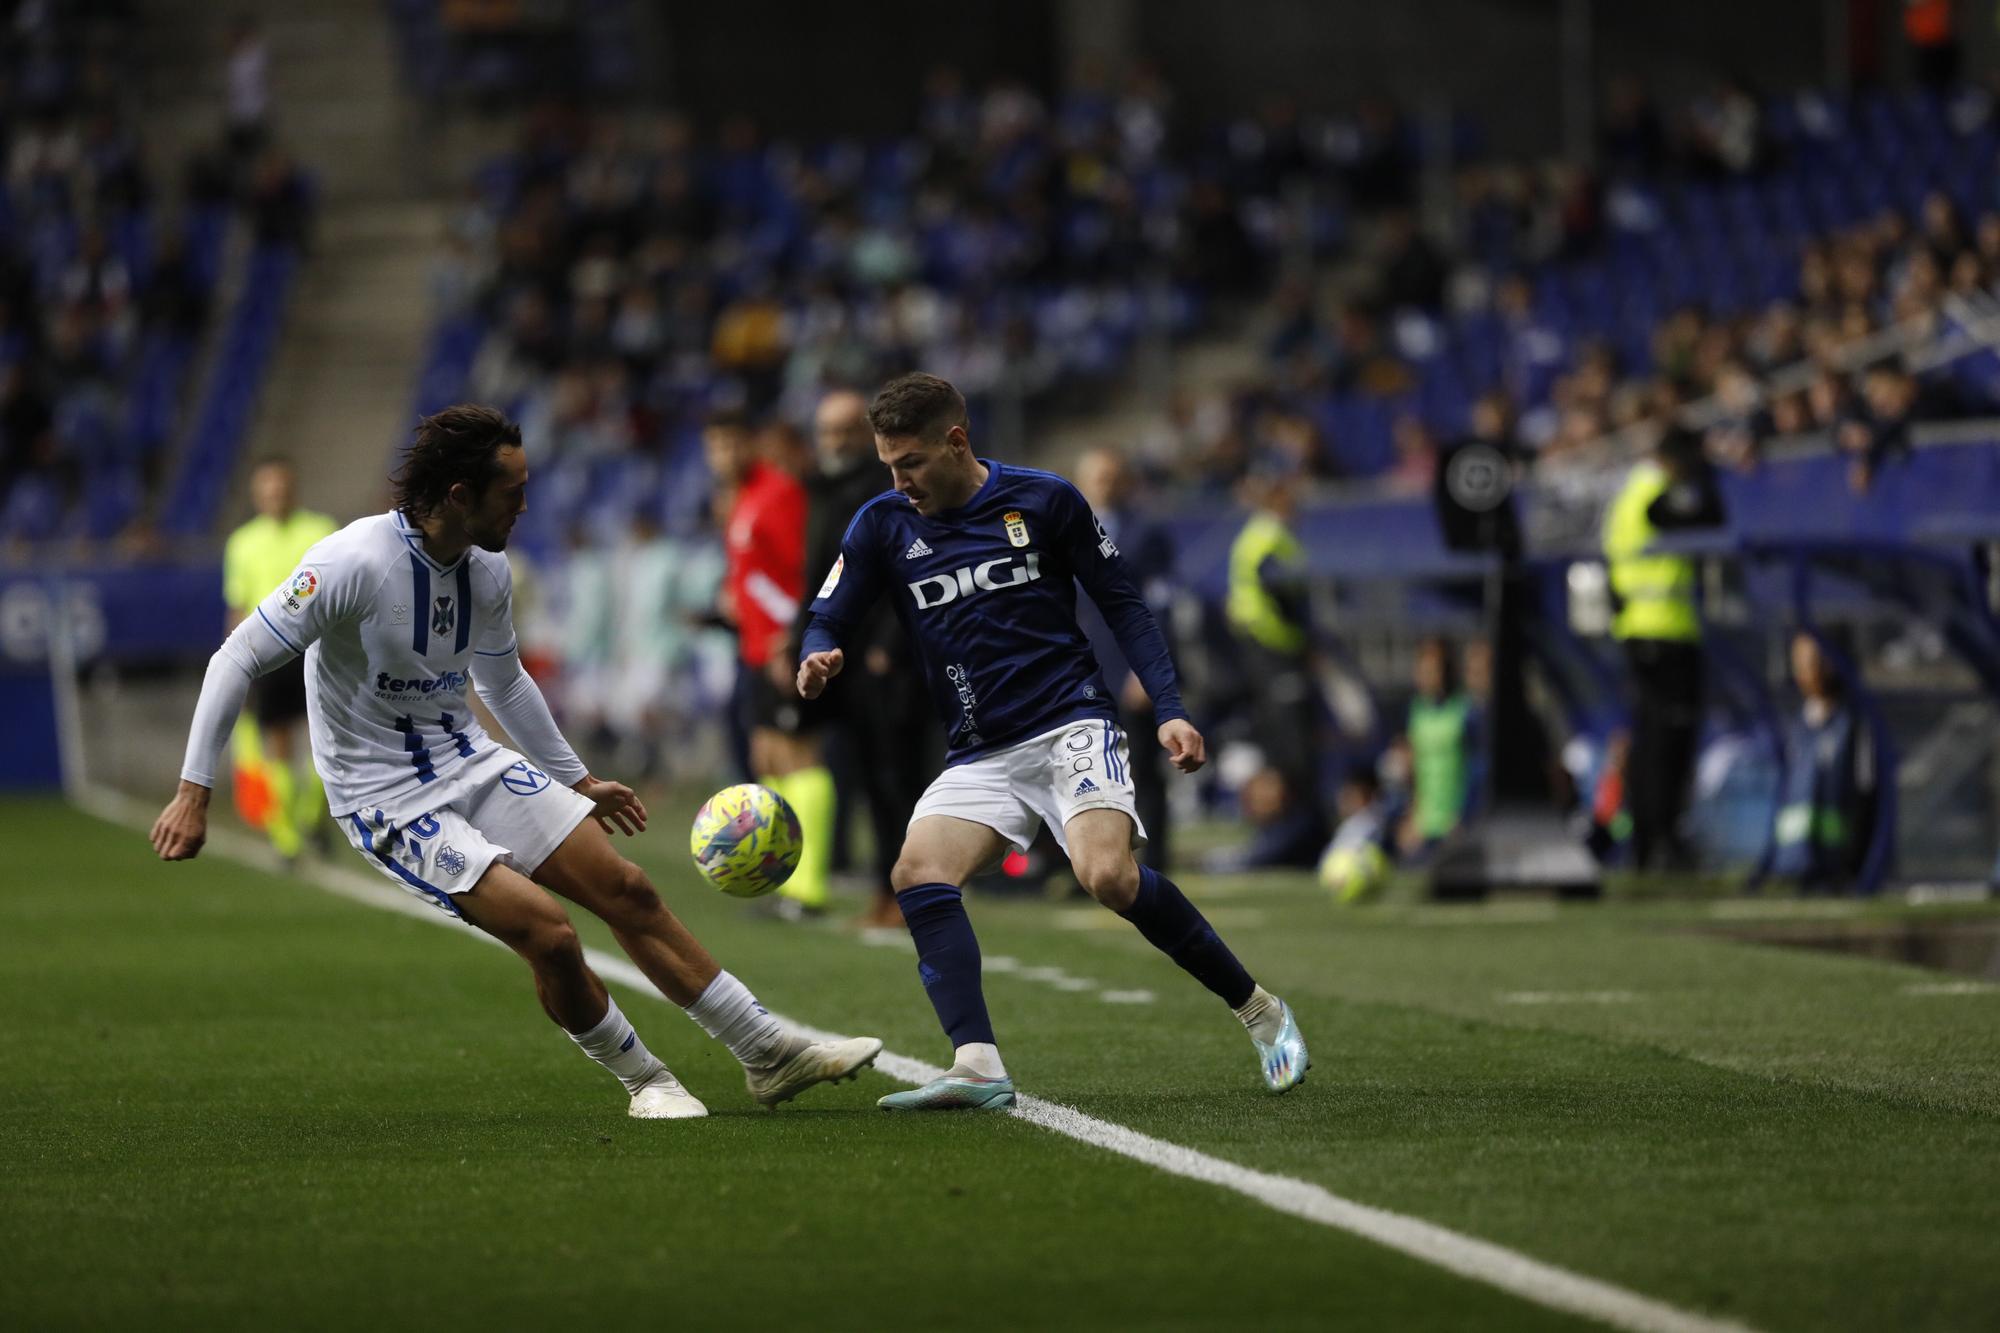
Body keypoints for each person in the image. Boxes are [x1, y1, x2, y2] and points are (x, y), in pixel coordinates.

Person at [151, 405, 881, 1119]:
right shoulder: (354, 561)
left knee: (627, 888)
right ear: (461, 495)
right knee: (549, 932)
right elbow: (237, 654)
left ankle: (767, 1052)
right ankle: (645, 1079)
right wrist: (194, 791)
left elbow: (504, 681)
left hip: (471, 758)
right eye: (514, 492)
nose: (526, 506)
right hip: (387, 798)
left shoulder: (488, 571)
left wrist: (577, 778)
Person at [798, 373, 1308, 1111]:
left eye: (909, 461)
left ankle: (1262, 1011)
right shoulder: (881, 522)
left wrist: (1167, 706)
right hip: (981, 748)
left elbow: (1123, 604)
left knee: (1108, 877)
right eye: (888, 464)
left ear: (956, 441)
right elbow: (829, 610)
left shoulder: (1045, 500)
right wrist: (820, 652)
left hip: (1071, 721)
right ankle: (976, 1064)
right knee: (917, 873)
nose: (898, 479)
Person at [787, 389, 937, 928]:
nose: (836, 442)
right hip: (842, 659)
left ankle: (912, 891)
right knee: (868, 780)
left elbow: (911, 572)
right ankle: (888, 888)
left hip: (889, 663)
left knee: (899, 779)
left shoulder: (888, 491)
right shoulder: (824, 491)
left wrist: (886, 647)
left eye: (846, 431)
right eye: (827, 431)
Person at [704, 407, 834, 916]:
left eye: (733, 444)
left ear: (751, 444)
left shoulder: (777, 492)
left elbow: (802, 570)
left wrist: (791, 637)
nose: (724, 456)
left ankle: (809, 889)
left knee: (800, 756)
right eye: (715, 447)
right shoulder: (740, 500)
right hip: (753, 648)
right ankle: (782, 877)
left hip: (781, 647)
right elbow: (753, 573)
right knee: (767, 759)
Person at [1601, 427, 1725, 871]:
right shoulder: (1657, 492)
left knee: (1649, 739)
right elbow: (1709, 514)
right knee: (1666, 742)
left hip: (1638, 628)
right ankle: (1662, 839)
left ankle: (1647, 839)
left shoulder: (1628, 492)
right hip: (1665, 630)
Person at [221, 458, 337, 861]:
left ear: (293, 489)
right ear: (257, 495)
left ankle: (310, 816)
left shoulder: (320, 530)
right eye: (267, 490)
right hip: (269, 652)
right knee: (280, 742)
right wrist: (237, 660)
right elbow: (237, 605)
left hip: (318, 648)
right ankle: (288, 835)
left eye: (281, 488)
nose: (275, 496)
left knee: (327, 739)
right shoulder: (242, 543)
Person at [1072, 446, 1178, 870]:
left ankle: (1156, 862)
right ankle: (1086, 861)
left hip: (1127, 666)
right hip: (1080, 669)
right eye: (1097, 477)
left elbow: (1162, 604)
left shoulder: (1146, 533)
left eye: (1112, 476)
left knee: (1143, 772)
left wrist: (1146, 671)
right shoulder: (1062, 530)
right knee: (1082, 769)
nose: (1105, 485)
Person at [1770, 631, 1876, 891]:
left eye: (1818, 660)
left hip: (1840, 866)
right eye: (1803, 662)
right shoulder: (1795, 727)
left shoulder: (1852, 724)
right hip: (1793, 867)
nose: (1811, 670)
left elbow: (1867, 793)